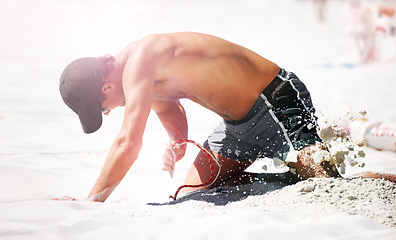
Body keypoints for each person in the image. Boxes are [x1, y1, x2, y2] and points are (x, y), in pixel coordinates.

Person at [59, 32, 392, 202]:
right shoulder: (138, 74)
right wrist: (176, 142)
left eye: (102, 108)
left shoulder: (140, 60)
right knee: (192, 195)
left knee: (327, 188)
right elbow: (169, 107)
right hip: (237, 127)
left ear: (106, 87)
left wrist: (93, 200)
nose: (108, 111)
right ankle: (294, 174)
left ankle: (355, 157)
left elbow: (127, 143)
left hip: (276, 100)